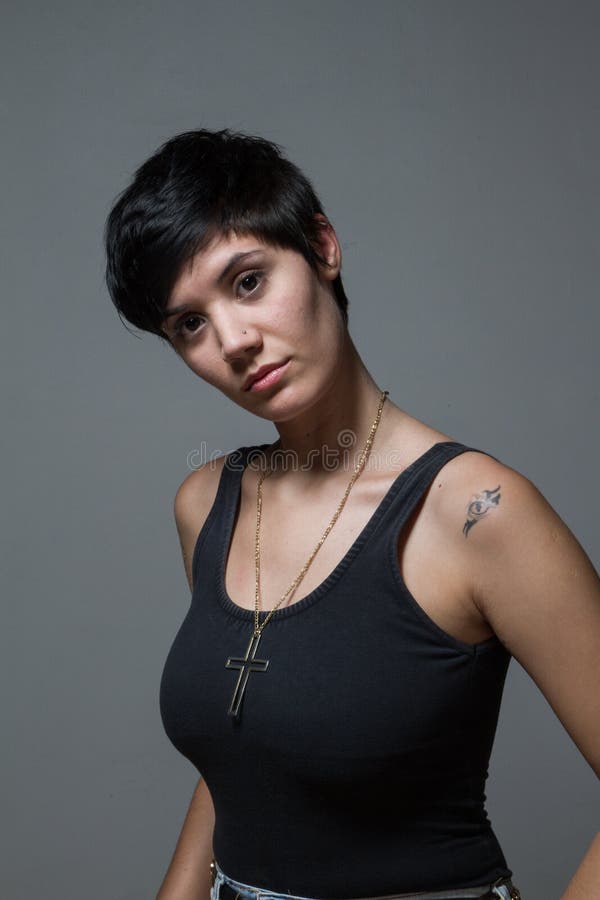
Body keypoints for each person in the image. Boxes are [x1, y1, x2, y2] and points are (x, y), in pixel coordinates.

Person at [104, 129, 600, 900]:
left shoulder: (475, 513)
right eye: (188, 325)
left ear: (323, 247)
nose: (233, 341)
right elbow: (243, 759)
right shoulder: (207, 505)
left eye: (247, 282)